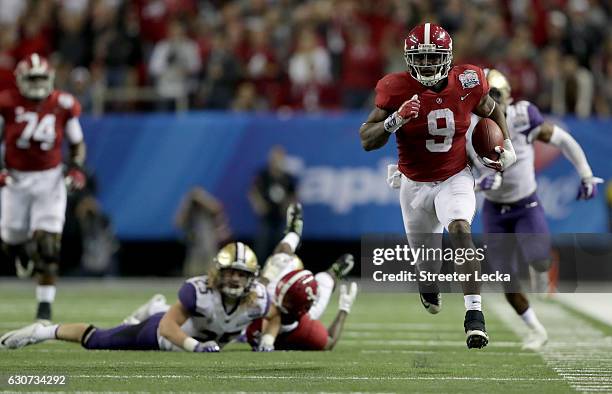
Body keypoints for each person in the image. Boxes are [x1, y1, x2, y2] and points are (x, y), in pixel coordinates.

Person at [359, 23, 518, 349]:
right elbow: (366, 139)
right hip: (414, 185)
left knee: (461, 228)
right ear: (408, 59)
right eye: (422, 58)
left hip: (454, 177)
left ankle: (474, 316)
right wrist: (394, 120)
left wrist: (508, 145)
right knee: (428, 265)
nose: (429, 65)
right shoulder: (395, 88)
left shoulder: (468, 80)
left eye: (434, 57)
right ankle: (427, 281)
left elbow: (492, 109)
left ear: (447, 57)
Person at [469, 69, 602, 350]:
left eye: (496, 95)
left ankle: (541, 270)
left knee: (539, 259)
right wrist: (481, 183)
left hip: (525, 204)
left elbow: (562, 139)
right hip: (495, 209)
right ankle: (536, 329)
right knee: (505, 277)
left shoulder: (521, 117)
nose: (491, 102)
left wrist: (586, 174)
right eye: (486, 96)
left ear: (507, 97)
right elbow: (459, 178)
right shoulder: (467, 127)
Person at [0, 242, 281, 353]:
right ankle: (42, 331)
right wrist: (195, 346)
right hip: (161, 335)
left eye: (241, 274)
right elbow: (167, 327)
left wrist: (267, 339)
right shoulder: (200, 292)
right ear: (217, 272)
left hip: (211, 336)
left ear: (250, 278)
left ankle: (154, 305)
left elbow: (275, 316)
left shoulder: (258, 298)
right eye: (230, 272)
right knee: (99, 340)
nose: (234, 279)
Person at [0, 53, 87, 321]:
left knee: (49, 246)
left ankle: (44, 308)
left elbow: (77, 144)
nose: (37, 83)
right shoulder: (7, 103)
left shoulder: (62, 103)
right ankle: (20, 251)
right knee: (11, 238)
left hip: (50, 179)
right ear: (21, 80)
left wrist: (76, 169)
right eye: (32, 78)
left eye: (41, 77)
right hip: (16, 180)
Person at [247, 202, 358, 351]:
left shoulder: (265, 308)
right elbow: (330, 341)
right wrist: (343, 310)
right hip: (294, 304)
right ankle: (294, 234)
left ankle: (335, 271)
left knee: (282, 258)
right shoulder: (308, 330)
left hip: (290, 307)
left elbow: (254, 294)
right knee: (322, 278)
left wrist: (267, 277)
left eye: (286, 301)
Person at [248, 145, 297, 260]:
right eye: (275, 158)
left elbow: (293, 195)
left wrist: (288, 207)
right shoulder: (263, 175)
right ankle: (260, 267)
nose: (277, 161)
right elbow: (253, 191)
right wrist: (259, 205)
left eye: (280, 158)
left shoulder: (287, 178)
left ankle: (280, 266)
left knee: (281, 244)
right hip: (266, 217)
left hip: (281, 217)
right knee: (262, 245)